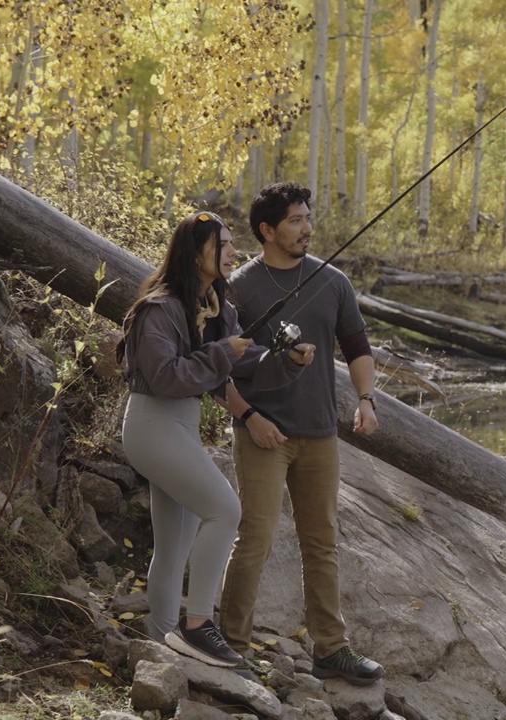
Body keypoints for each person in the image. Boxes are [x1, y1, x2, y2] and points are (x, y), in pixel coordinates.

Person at [118, 211, 316, 667]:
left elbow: (239, 367)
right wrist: (223, 351)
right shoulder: (160, 308)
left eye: (232, 244)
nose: (233, 252)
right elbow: (167, 377)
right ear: (195, 252)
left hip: (179, 426)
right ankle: (197, 626)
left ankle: (162, 645)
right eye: (223, 244)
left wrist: (287, 361)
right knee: (226, 511)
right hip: (152, 425)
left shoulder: (217, 308)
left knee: (174, 545)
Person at [219, 182, 384, 686]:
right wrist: (250, 417)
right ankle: (231, 647)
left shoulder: (333, 282)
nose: (306, 229)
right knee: (255, 541)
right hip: (263, 434)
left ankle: (331, 649)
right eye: (294, 220)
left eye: (307, 218)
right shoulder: (239, 288)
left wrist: (366, 399)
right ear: (267, 230)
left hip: (321, 433)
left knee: (322, 543)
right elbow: (216, 369)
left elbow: (356, 347)